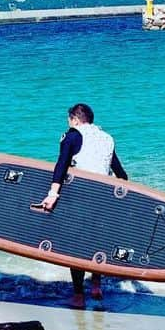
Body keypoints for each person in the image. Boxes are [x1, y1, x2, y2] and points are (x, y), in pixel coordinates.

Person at [34, 103, 128, 305]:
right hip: (104, 198)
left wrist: (52, 194)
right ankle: (96, 286)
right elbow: (120, 172)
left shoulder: (72, 136)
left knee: (76, 244)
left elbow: (62, 164)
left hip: (82, 198)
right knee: (97, 240)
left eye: (69, 120)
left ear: (75, 119)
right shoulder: (107, 138)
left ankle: (78, 295)